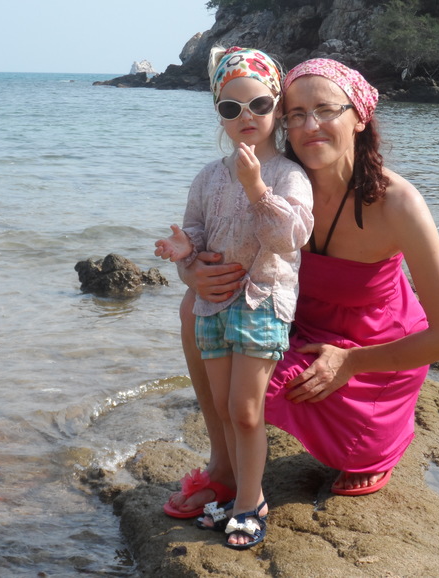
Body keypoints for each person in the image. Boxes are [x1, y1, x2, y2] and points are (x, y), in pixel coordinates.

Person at [165, 58, 439, 545]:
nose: (310, 126)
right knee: (194, 307)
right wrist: (191, 271)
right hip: (301, 331)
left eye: (326, 110)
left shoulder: (397, 202)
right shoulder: (275, 185)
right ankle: (223, 467)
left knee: (344, 451)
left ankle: (380, 442)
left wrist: (352, 362)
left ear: (360, 117)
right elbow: (215, 251)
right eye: (296, 114)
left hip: (371, 357)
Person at [155, 46, 314, 549]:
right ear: (219, 114)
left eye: (259, 104)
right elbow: (198, 230)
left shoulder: (288, 174)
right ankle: (235, 494)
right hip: (214, 306)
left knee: (246, 411)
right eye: (231, 107)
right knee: (225, 409)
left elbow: (290, 238)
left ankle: (250, 502)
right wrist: (185, 249)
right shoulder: (207, 176)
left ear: (277, 108)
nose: (246, 116)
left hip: (263, 303)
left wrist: (256, 188)